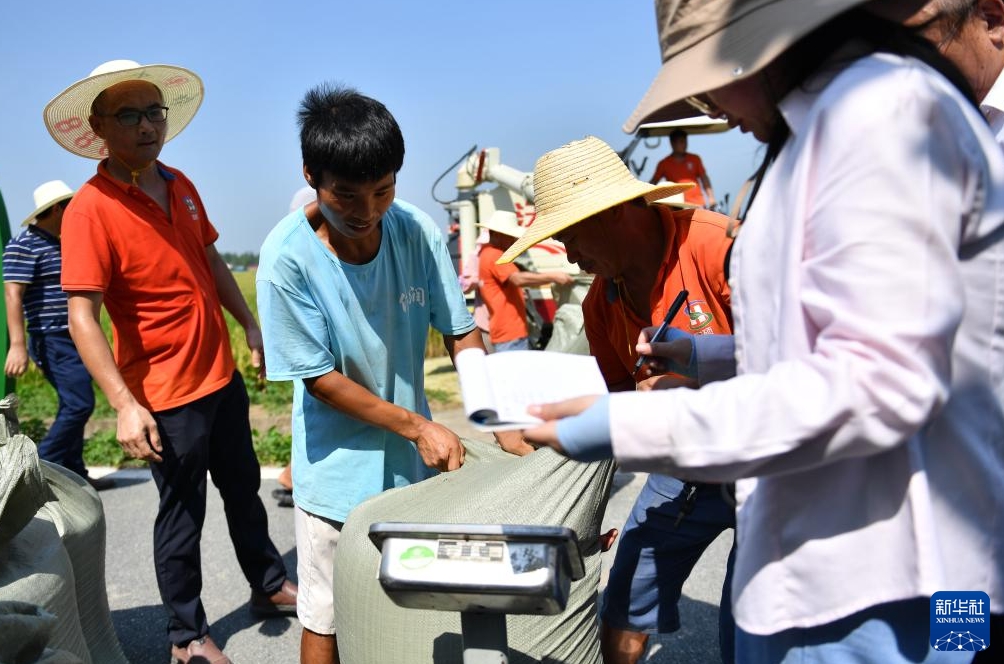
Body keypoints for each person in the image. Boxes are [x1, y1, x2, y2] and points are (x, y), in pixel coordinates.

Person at [522, 1, 1004, 662]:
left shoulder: (878, 117)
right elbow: (826, 346)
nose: (712, 107)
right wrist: (707, 356)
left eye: (712, 75)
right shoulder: (827, 129)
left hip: (887, 587)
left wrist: (629, 425)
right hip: (852, 569)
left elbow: (876, 383)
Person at [256, 83, 528, 664]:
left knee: (410, 605)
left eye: (382, 191)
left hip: (413, 470)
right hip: (336, 473)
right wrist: (416, 424)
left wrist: (494, 417)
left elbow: (460, 332)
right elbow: (321, 380)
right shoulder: (286, 259)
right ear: (311, 176)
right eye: (346, 196)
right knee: (325, 616)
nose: (367, 212)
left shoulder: (416, 231)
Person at [44, 59, 297, 664]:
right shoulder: (91, 208)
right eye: (128, 114)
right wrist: (125, 406)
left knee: (243, 491)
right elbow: (84, 315)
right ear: (99, 127)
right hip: (163, 392)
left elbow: (211, 264)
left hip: (219, 375)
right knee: (182, 515)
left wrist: (251, 324)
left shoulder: (181, 184)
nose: (146, 125)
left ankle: (268, 586)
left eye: (153, 111)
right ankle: (186, 635)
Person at [498, 135, 736, 664]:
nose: (570, 256)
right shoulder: (599, 306)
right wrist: (579, 512)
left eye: (571, 236)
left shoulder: (719, 249)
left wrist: (694, 388)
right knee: (626, 595)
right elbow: (627, 409)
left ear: (615, 213)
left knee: (748, 628)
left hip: (764, 457)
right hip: (685, 469)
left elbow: (800, 369)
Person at [2, 180, 111, 491]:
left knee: (73, 401)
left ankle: (74, 473)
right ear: (58, 209)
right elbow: (13, 295)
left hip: (75, 335)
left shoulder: (60, 243)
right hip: (51, 338)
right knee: (79, 403)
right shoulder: (24, 245)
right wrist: (18, 346)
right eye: (70, 207)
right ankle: (39, 468)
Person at [478, 209, 573, 352]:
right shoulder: (495, 255)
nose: (513, 241)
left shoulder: (486, 253)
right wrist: (554, 276)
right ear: (497, 234)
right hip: (510, 334)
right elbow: (517, 279)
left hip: (506, 332)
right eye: (510, 236)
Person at [649, 129, 716, 209]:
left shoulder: (695, 159)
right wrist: (643, 197)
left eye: (685, 141)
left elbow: (704, 178)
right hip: (675, 206)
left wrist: (711, 198)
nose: (685, 145)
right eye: (681, 142)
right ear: (672, 143)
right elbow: (653, 182)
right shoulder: (663, 164)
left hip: (697, 204)